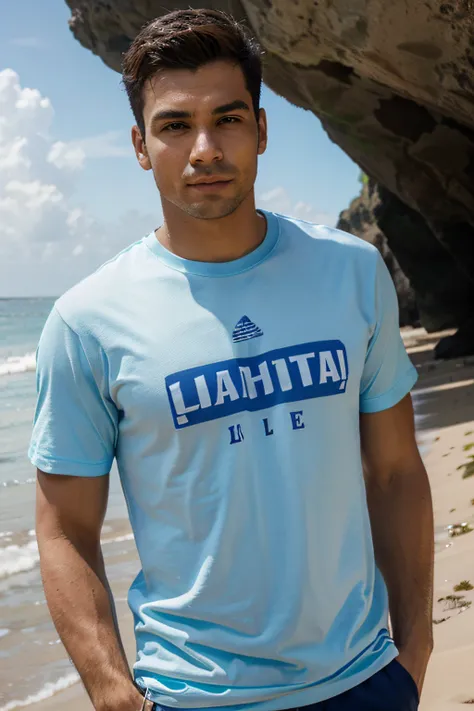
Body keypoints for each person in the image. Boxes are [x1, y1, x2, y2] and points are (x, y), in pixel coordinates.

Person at [30, 8, 434, 711]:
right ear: (138, 144)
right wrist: (110, 690)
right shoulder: (87, 321)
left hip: (364, 680)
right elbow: (65, 527)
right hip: (193, 696)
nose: (205, 149)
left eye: (229, 118)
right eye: (175, 125)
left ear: (263, 129)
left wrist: (417, 646)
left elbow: (396, 470)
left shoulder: (350, 273)